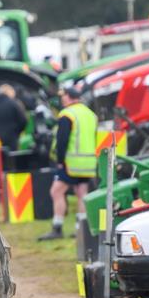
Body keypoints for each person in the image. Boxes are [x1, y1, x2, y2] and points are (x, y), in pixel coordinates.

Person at [38, 86, 97, 240]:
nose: (62, 99)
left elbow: (62, 141)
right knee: (82, 194)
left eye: (63, 96)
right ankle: (81, 229)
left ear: (69, 97)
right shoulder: (90, 115)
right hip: (88, 163)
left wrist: (60, 161)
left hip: (71, 163)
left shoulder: (67, 115)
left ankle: (57, 228)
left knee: (56, 192)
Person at [0, 84, 27, 151]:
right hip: (11, 139)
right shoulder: (13, 103)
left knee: (0, 158)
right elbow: (23, 121)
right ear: (9, 92)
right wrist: (17, 132)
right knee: (12, 159)